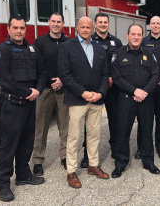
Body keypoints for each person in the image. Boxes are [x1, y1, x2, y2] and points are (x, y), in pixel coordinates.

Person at [0, 14, 46, 202]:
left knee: (26, 142)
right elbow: (5, 80)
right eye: (15, 28)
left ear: (26, 29)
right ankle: (3, 184)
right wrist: (27, 92)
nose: (18, 31)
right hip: (12, 105)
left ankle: (23, 175)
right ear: (8, 29)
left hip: (30, 104)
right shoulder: (3, 50)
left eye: (22, 28)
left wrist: (38, 90)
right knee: (9, 145)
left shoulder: (32, 49)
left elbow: (42, 72)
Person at [58, 17, 109, 189]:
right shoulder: (67, 47)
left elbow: (104, 74)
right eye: (83, 27)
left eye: (88, 27)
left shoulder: (99, 47)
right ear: (77, 28)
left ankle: (93, 165)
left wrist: (100, 93)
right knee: (73, 136)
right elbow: (65, 74)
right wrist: (82, 92)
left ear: (92, 27)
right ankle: (71, 171)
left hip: (95, 99)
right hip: (77, 99)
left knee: (94, 134)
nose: (86, 29)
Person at [111, 24, 160, 178]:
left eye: (139, 34)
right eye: (133, 34)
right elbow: (117, 77)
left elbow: (155, 75)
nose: (136, 37)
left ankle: (148, 161)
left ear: (142, 36)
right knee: (123, 132)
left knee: (146, 131)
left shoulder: (149, 53)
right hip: (126, 98)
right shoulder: (118, 54)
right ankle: (120, 163)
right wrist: (135, 91)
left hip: (146, 98)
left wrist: (144, 91)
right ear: (128, 35)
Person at [81, 12, 123, 168]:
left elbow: (120, 63)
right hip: (95, 88)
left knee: (115, 120)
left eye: (106, 22)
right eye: (100, 22)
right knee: (91, 123)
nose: (103, 24)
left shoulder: (116, 42)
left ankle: (116, 150)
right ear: (95, 24)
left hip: (112, 88)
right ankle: (87, 155)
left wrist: (113, 77)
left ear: (108, 24)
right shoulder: (89, 41)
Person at [32, 12, 69, 176]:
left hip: (64, 90)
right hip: (45, 90)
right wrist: (52, 80)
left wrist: (62, 79)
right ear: (48, 23)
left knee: (65, 127)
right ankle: (38, 161)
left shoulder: (69, 43)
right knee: (41, 127)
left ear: (63, 24)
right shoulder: (39, 42)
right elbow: (37, 66)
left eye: (58, 21)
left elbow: (71, 65)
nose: (56, 24)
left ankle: (65, 157)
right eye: (53, 21)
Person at [134, 16, 160, 160]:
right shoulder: (142, 41)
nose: (155, 26)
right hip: (146, 87)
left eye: (158, 23)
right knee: (144, 118)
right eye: (153, 23)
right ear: (149, 26)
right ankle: (142, 147)